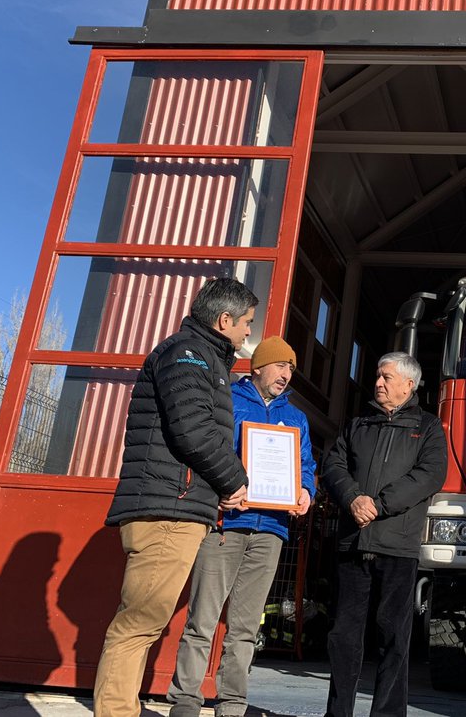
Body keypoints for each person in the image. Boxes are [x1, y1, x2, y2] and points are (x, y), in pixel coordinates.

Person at [93, 277, 257, 717]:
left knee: (142, 624)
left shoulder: (203, 358)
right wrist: (234, 481)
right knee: (138, 625)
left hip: (179, 504)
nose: (247, 334)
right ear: (224, 320)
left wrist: (216, 491)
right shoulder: (187, 354)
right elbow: (193, 430)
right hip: (169, 510)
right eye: (246, 324)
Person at [167, 335, 317, 717]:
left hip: (272, 530)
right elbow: (206, 453)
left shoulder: (296, 418)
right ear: (258, 367)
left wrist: (305, 490)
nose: (287, 374)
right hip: (226, 524)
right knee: (202, 618)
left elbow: (307, 468)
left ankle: (232, 703)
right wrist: (216, 492)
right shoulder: (228, 403)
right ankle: (185, 699)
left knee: (246, 627)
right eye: (281, 365)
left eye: (291, 369)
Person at [320, 352, 448, 717]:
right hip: (353, 542)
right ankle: (338, 712)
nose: (378, 382)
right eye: (378, 375)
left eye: (387, 377)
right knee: (343, 637)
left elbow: (430, 475)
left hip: (397, 547)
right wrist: (352, 498)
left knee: (393, 636)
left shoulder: (428, 427)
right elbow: (334, 464)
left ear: (409, 384)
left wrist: (379, 504)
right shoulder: (358, 423)